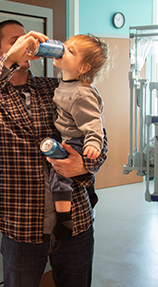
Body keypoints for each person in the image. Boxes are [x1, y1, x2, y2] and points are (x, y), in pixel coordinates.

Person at [0, 20, 107, 287]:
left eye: (26, 38)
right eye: (15, 41)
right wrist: (10, 61)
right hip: (21, 225)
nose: (26, 44)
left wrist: (83, 166)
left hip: (75, 221)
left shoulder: (57, 89)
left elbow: (98, 139)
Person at [48, 34, 108, 237]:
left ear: (83, 69)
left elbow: (94, 122)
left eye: (70, 51)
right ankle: (90, 192)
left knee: (59, 174)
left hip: (78, 139)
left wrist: (93, 143)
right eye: (64, 46)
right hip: (68, 136)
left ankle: (64, 220)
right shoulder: (64, 82)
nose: (62, 50)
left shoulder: (81, 93)